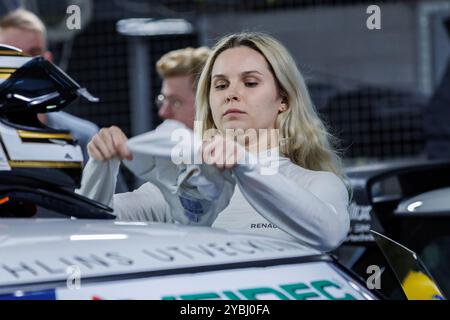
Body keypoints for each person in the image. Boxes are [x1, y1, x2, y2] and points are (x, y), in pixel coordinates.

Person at [78, 32, 350, 252]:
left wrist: (245, 164)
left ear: (284, 100)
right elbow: (88, 230)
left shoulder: (317, 183)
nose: (231, 94)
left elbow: (327, 233)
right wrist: (102, 167)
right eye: (220, 85)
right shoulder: (186, 187)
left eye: (250, 83)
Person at [0, 8, 128, 192]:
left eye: (32, 53)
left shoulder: (84, 137)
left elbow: (115, 207)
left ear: (47, 60)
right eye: (11, 55)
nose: (24, 64)